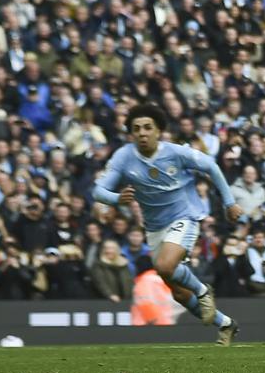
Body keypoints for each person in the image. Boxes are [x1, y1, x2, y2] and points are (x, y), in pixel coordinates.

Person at [93, 104, 245, 346]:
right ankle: (226, 325)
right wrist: (115, 198)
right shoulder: (124, 157)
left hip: (184, 217)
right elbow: (98, 190)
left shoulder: (176, 153)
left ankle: (204, 292)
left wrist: (229, 203)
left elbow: (211, 167)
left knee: (164, 266)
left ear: (158, 131)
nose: (142, 133)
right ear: (131, 134)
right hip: (154, 228)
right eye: (136, 129)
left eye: (147, 128)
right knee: (180, 293)